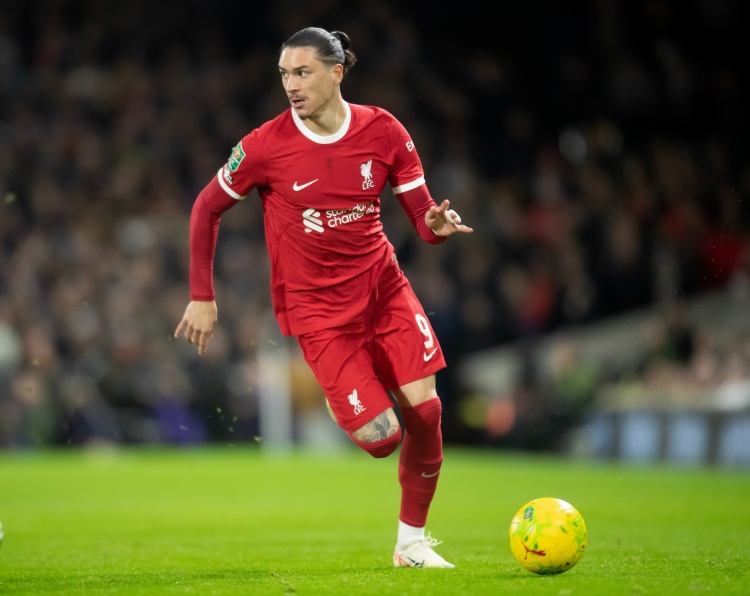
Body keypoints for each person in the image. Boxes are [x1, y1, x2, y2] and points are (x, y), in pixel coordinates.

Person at [174, 27, 473, 568]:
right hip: (320, 316)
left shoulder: (383, 130)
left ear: (337, 73)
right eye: (284, 74)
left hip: (384, 291)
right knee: (382, 439)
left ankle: (411, 544)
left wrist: (435, 225)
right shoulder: (264, 146)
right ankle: (348, 392)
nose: (291, 84)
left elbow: (423, 218)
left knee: (427, 413)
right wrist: (202, 295)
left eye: (302, 72)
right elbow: (205, 208)